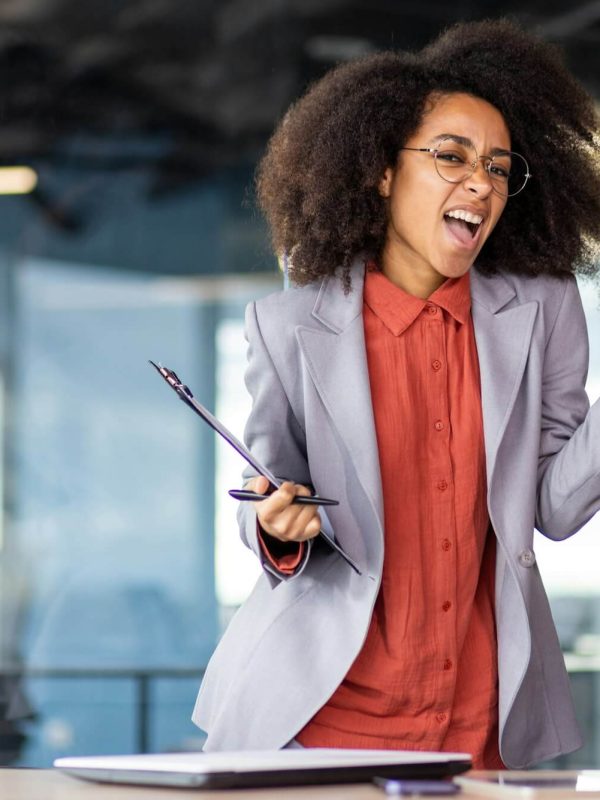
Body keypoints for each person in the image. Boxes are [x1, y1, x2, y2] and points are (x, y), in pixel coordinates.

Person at [193, 19, 600, 769]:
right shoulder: (287, 327)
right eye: (451, 157)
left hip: (481, 719)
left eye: (501, 168)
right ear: (382, 170)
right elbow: (267, 495)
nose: (481, 182)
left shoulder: (542, 311)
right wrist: (280, 526)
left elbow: (557, 508)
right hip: (321, 712)